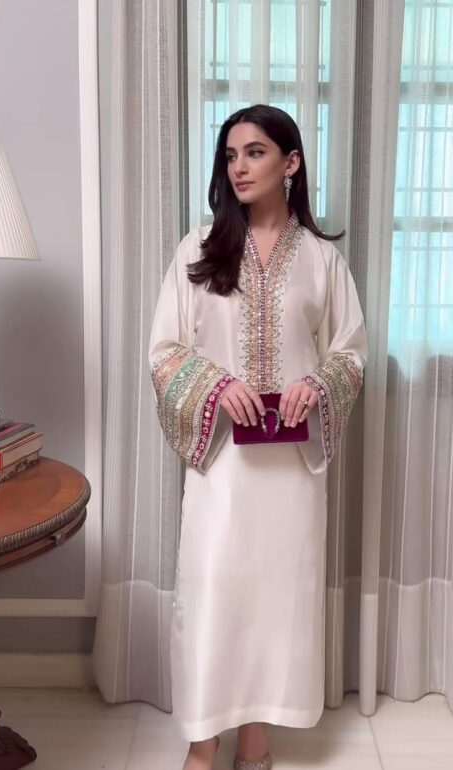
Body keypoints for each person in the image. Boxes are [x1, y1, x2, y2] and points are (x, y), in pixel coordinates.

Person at [148, 104, 367, 770]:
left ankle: (256, 739)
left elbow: (351, 352)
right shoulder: (198, 249)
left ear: (290, 163)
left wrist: (318, 383)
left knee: (277, 601)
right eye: (230, 155)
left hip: (291, 469)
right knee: (215, 595)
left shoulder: (323, 260)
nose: (238, 167)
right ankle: (202, 741)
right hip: (223, 465)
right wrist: (215, 384)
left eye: (255, 152)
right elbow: (163, 351)